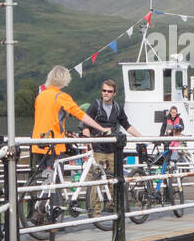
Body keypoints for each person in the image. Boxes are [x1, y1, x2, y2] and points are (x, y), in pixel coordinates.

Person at [32, 66, 110, 171]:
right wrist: (102, 128)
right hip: (53, 145)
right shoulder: (61, 96)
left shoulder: (40, 96)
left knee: (44, 179)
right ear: (65, 79)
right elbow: (80, 115)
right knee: (55, 181)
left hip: (38, 144)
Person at [82, 79, 143, 210]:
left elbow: (126, 125)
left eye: (109, 91)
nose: (106, 93)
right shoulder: (95, 105)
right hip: (98, 148)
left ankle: (112, 207)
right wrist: (88, 142)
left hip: (113, 149)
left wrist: (142, 138)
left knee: (114, 179)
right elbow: (85, 125)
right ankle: (94, 210)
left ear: (114, 93)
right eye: (104, 90)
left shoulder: (117, 108)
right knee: (96, 179)